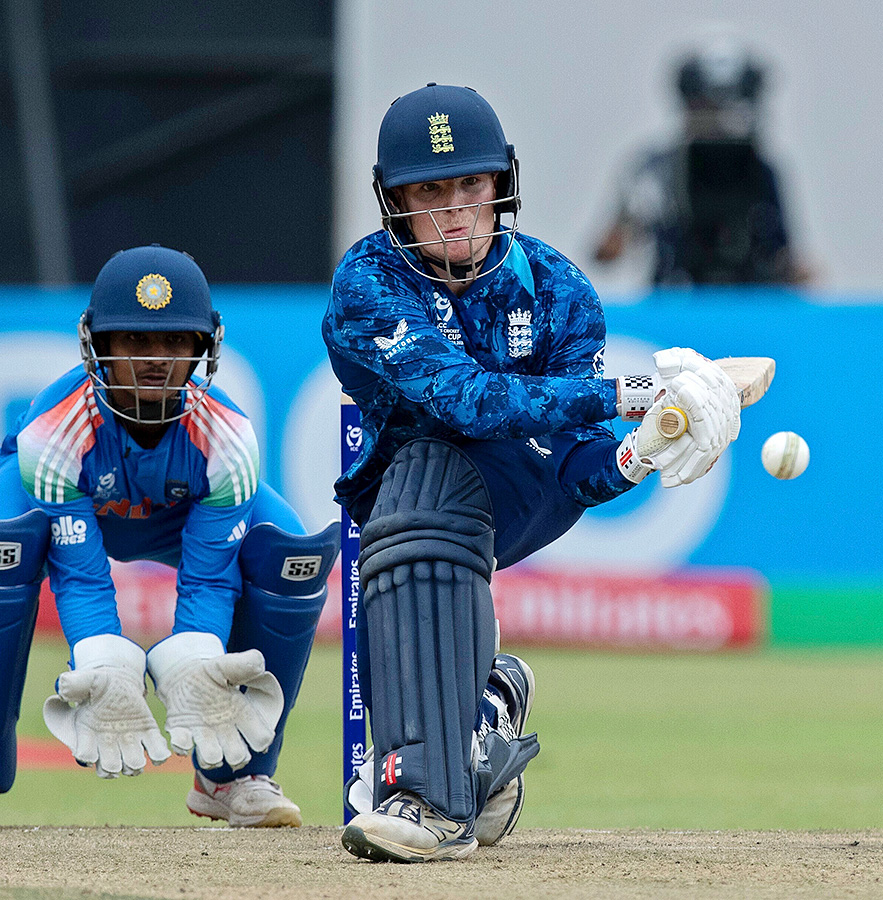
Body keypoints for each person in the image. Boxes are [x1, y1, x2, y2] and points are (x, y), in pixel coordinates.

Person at [323, 83, 741, 863]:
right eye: (429, 191)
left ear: (501, 184)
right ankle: (483, 722)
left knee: (425, 491)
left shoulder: (555, 288)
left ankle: (433, 804)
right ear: (393, 199)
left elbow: (576, 468)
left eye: (471, 187)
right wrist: (634, 390)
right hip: (404, 504)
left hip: (510, 492)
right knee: (419, 494)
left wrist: (641, 450)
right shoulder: (369, 283)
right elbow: (466, 401)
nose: (454, 212)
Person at [0, 245, 339, 829]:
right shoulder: (53, 430)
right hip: (61, 507)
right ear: (98, 345)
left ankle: (235, 776)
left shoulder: (229, 438)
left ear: (203, 347)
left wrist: (197, 659)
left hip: (179, 517)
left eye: (173, 342)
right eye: (135, 341)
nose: (155, 361)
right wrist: (105, 662)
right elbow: (82, 577)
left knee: (294, 556)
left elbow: (210, 577)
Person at [593, 34, 814, 286]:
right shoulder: (657, 170)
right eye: (708, 107)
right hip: (677, 298)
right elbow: (608, 249)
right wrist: (628, 230)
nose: (719, 122)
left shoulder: (762, 172)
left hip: (752, 303)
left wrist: (797, 271)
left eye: (730, 109)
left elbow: (784, 253)